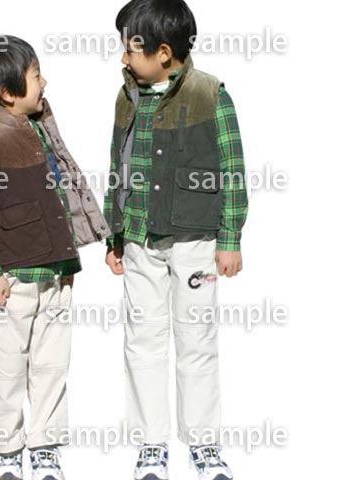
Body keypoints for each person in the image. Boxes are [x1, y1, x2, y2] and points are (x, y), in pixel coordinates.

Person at [103, 1, 248, 479]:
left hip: (195, 242)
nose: (123, 58)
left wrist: (230, 237)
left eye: (131, 49)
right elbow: (117, 167)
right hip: (139, 240)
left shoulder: (211, 94)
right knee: (142, 340)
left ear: (163, 52)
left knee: (196, 340)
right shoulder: (127, 96)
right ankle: (151, 443)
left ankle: (203, 444)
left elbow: (232, 168)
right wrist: (113, 232)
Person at [0, 35, 110, 480]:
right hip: (13, 277)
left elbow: (67, 189)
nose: (45, 82)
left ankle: (45, 446)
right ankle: (6, 451)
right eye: (36, 75)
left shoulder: (42, 128)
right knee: (7, 367)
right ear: (8, 92)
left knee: (51, 365)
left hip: (56, 272)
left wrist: (76, 250)